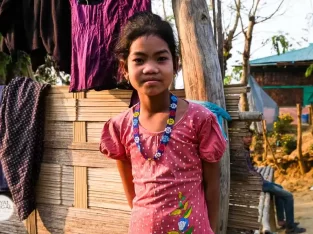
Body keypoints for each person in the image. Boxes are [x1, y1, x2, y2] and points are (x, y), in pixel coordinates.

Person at [100, 12, 227, 234]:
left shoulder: (199, 119)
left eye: (161, 58)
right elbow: (133, 195)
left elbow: (212, 185)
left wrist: (212, 229)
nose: (150, 68)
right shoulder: (120, 126)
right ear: (124, 68)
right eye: (139, 60)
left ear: (175, 64)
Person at [242, 130, 306, 234]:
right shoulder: (241, 153)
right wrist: (258, 178)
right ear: (240, 138)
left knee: (279, 187)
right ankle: (290, 227)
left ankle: (281, 221)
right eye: (246, 137)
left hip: (258, 181)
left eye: (250, 137)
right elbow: (246, 172)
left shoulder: (245, 150)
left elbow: (250, 170)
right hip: (257, 184)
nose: (249, 139)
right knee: (289, 196)